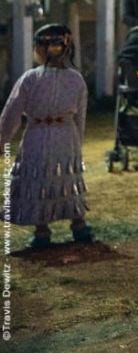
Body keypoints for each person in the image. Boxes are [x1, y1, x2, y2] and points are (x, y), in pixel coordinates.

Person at [0, 24, 93, 248]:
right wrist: (77, 142)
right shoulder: (76, 79)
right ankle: (78, 225)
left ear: (40, 49)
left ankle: (43, 230)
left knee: (38, 177)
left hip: (37, 135)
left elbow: (12, 112)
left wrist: (2, 139)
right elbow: (80, 116)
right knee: (66, 177)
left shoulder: (30, 78)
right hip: (66, 134)